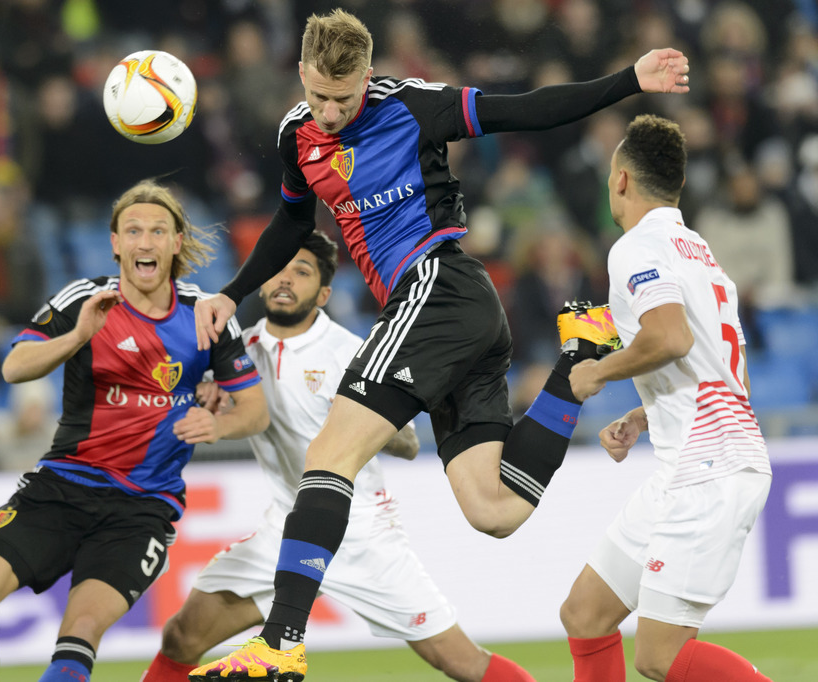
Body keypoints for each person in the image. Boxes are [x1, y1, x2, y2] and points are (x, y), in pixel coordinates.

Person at [191, 9, 691, 680]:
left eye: (345, 97)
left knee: (328, 453)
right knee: (495, 509)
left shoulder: (413, 106)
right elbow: (290, 220)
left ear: (367, 76)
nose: (332, 111)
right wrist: (233, 292)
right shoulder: (295, 136)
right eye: (320, 96)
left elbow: (529, 111)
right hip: (459, 316)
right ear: (302, 75)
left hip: (438, 284)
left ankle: (280, 642)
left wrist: (629, 78)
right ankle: (577, 361)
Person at [144, 233, 535, 681]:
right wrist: (213, 394)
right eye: (279, 269)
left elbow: (407, 444)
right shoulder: (241, 351)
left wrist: (353, 416)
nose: (285, 279)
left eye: (303, 272)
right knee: (181, 637)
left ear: (324, 293)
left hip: (362, 532)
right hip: (285, 529)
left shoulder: (351, 352)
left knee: (461, 662)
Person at [0, 179, 269, 682]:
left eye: (158, 231)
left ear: (176, 242)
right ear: (115, 242)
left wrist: (219, 423)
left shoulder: (205, 314)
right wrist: (77, 337)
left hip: (141, 508)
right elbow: (14, 367)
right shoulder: (84, 301)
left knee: (80, 632)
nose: (145, 242)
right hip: (60, 486)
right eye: (133, 230)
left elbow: (255, 411)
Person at [560, 115, 773, 682]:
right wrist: (644, 413)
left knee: (659, 658)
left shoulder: (636, 247)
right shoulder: (701, 253)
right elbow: (727, 378)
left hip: (708, 472)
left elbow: (670, 338)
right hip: (696, 461)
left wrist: (597, 374)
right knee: (585, 614)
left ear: (622, 179)